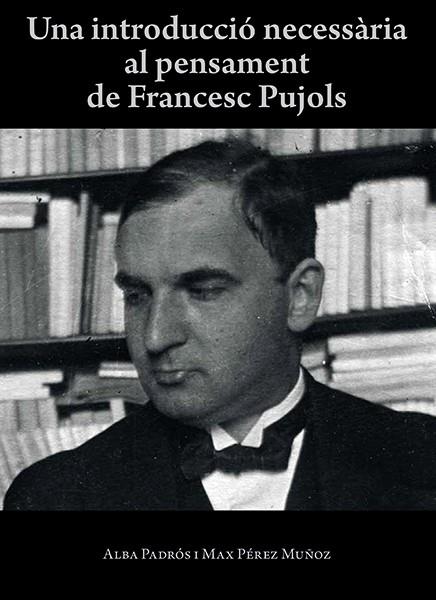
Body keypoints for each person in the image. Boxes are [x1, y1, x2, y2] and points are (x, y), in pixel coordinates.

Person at [4, 138, 436, 510]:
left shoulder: (422, 460)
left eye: (203, 290)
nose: (155, 337)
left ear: (300, 296)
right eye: (137, 296)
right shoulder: (55, 496)